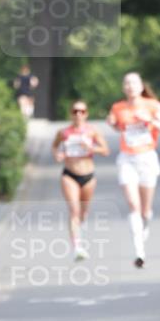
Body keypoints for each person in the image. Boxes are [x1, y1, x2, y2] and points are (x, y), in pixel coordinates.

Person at [106, 72, 160, 268]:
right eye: (126, 83)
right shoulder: (118, 108)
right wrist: (111, 123)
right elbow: (117, 126)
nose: (130, 86)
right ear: (123, 87)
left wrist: (149, 121)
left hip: (147, 159)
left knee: (145, 210)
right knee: (133, 205)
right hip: (127, 159)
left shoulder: (153, 106)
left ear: (141, 86)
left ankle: (145, 224)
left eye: (134, 82)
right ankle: (139, 252)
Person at [52, 101, 109, 260]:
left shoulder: (92, 132)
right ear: (71, 113)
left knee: (83, 212)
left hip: (88, 175)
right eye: (75, 111)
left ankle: (80, 228)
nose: (78, 114)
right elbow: (55, 147)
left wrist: (91, 148)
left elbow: (105, 150)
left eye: (82, 111)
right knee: (74, 210)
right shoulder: (63, 132)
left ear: (86, 114)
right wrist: (58, 155)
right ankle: (77, 247)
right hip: (69, 174)